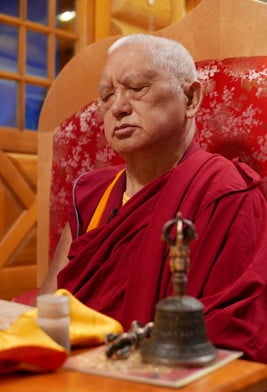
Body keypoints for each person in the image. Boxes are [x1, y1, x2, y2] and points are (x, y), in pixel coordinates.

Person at [39, 34, 267, 363]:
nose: (117, 107)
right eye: (106, 96)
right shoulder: (92, 194)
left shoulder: (226, 193)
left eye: (136, 88)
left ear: (190, 99)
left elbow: (233, 346)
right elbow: (47, 313)